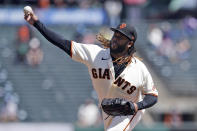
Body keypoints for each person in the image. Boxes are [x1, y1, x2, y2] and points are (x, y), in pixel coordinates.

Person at [24, 8, 158, 131]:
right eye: (115, 35)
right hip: (106, 110)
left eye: (120, 37)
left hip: (130, 111)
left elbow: (152, 96)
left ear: (129, 43)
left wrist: (136, 106)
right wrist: (36, 23)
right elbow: (63, 43)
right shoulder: (95, 54)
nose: (115, 39)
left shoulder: (139, 68)